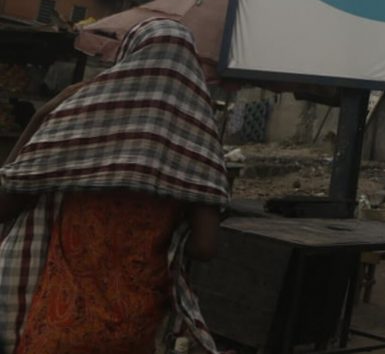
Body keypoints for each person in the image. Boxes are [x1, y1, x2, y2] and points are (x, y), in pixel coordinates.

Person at [0, 19, 230, 354]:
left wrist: (41, 117)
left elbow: (4, 207)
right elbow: (205, 247)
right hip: (134, 328)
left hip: (55, 325)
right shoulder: (199, 143)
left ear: (127, 55)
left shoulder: (76, 122)